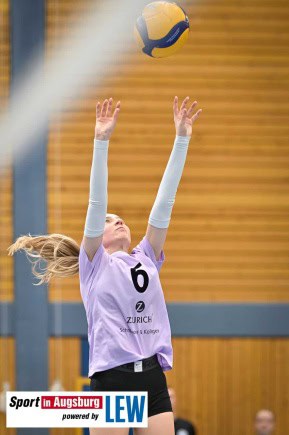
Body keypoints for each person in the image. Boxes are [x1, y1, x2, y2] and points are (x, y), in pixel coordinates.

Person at [8, 96, 202, 434]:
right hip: (113, 377)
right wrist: (101, 142)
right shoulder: (95, 264)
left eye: (121, 219)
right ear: (99, 235)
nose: (118, 221)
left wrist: (182, 138)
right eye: (111, 221)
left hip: (153, 377)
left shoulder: (147, 257)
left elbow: (165, 203)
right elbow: (97, 203)